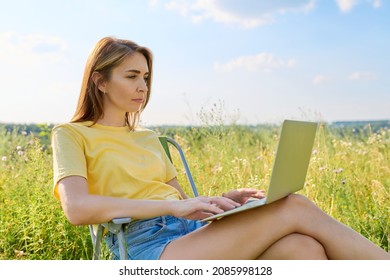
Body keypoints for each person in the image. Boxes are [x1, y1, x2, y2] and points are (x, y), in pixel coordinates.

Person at [51, 36, 389, 260]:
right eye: (132, 76)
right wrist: (170, 209)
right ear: (100, 80)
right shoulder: (71, 134)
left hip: (191, 233)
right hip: (144, 248)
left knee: (303, 247)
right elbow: (77, 209)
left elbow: (182, 205)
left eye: (147, 77)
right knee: (295, 206)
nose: (143, 86)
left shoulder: (148, 137)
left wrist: (223, 202)